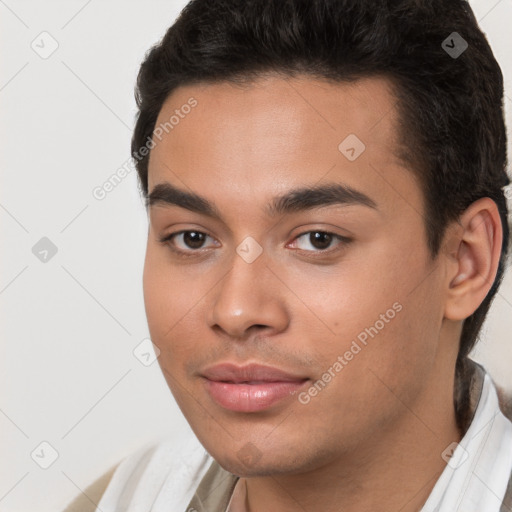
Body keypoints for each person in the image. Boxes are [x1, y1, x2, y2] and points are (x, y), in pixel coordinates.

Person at [64, 0, 512, 510]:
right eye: (192, 238)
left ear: (466, 261)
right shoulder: (125, 499)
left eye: (318, 239)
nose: (235, 311)